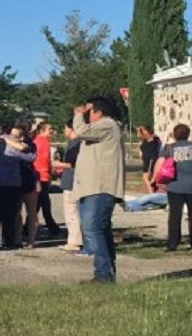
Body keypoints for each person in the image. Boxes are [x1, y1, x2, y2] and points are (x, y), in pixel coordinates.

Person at [73, 97, 124, 283]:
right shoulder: (101, 128)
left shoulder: (107, 125)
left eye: (89, 112)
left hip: (101, 187)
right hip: (92, 187)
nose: (86, 116)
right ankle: (105, 272)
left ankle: (104, 274)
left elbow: (80, 131)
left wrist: (78, 114)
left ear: (98, 111)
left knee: (95, 227)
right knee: (100, 229)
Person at [153, 124, 192, 251]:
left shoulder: (169, 148)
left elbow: (160, 163)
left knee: (175, 215)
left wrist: (155, 180)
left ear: (174, 134)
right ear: (188, 133)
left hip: (175, 185)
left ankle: (173, 243)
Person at [0, 124, 34, 250]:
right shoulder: (9, 144)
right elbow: (29, 156)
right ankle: (7, 240)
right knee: (8, 214)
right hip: (10, 182)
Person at [52, 120, 84, 253]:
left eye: (65, 128)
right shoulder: (76, 143)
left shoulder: (76, 143)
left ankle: (74, 241)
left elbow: (74, 164)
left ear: (71, 129)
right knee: (74, 212)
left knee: (72, 213)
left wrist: (58, 164)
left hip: (72, 181)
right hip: (71, 180)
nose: (64, 131)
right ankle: (76, 239)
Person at [32, 121, 61, 237]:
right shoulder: (42, 142)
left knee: (40, 204)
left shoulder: (38, 141)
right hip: (41, 175)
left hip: (40, 174)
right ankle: (52, 227)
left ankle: (29, 227)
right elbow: (44, 160)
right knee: (43, 203)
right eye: (49, 129)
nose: (52, 131)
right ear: (42, 130)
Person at [136, 125, 162, 195]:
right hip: (146, 161)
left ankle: (152, 194)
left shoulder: (153, 139)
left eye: (144, 130)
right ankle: (153, 192)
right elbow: (139, 136)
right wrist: (140, 131)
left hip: (151, 159)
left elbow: (145, 136)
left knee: (145, 177)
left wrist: (140, 130)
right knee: (149, 178)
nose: (142, 132)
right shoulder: (144, 141)